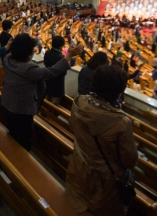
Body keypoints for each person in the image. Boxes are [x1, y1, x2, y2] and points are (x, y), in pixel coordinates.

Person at [65, 65, 138, 215]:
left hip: (78, 166)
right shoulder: (122, 122)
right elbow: (129, 161)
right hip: (104, 184)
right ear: (119, 91)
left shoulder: (79, 102)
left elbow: (73, 127)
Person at [1, 33, 83, 151]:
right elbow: (51, 72)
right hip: (21, 111)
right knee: (24, 141)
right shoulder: (28, 70)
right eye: (32, 51)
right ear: (27, 53)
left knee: (13, 132)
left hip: (7, 103)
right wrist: (69, 55)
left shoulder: (7, 59)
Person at [44, 36, 67, 105]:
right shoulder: (61, 58)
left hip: (47, 82)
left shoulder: (47, 53)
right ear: (61, 46)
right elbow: (64, 73)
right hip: (56, 86)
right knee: (53, 108)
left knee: (45, 104)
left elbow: (46, 64)